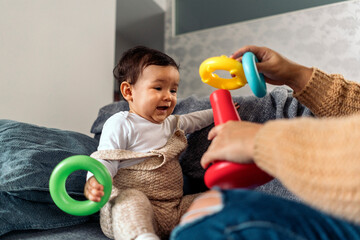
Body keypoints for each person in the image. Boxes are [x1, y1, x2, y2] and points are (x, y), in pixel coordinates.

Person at [170, 45, 360, 240]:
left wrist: (262, 141)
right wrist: (296, 75)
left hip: (337, 181)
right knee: (157, 117)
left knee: (212, 222)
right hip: (326, 128)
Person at [83, 46, 215, 240]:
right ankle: (142, 236)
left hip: (173, 209)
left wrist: (217, 111)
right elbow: (106, 159)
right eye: (158, 88)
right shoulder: (121, 123)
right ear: (128, 91)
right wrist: (94, 181)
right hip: (131, 211)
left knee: (215, 199)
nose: (168, 96)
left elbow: (194, 120)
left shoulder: (170, 124)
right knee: (130, 199)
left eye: (173, 90)